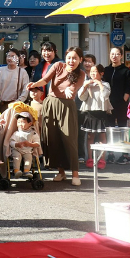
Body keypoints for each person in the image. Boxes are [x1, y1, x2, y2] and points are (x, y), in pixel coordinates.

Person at [27, 46, 85, 186]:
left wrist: (69, 92)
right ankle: (61, 172)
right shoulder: (58, 65)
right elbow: (45, 80)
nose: (71, 60)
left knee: (69, 139)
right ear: (65, 58)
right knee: (53, 138)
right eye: (69, 57)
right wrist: (34, 84)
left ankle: (75, 173)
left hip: (67, 106)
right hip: (51, 104)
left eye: (75, 58)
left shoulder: (81, 74)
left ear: (80, 60)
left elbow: (73, 88)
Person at [79, 64, 112, 169]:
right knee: (90, 137)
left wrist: (99, 84)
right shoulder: (86, 83)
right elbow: (81, 97)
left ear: (101, 73)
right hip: (90, 112)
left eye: (95, 71)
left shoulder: (105, 84)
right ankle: (90, 158)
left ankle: (102, 159)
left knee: (102, 136)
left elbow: (105, 96)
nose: (92, 74)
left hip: (101, 112)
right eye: (91, 72)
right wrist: (85, 86)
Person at [104, 47, 130, 165]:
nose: (114, 56)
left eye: (117, 54)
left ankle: (125, 155)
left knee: (123, 128)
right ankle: (110, 154)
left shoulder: (126, 70)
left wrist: (123, 100)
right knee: (109, 128)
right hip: (108, 103)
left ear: (121, 56)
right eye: (112, 54)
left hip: (121, 104)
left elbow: (129, 87)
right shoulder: (106, 70)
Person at [0, 49, 30, 113]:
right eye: (8, 56)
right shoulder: (1, 70)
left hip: (16, 105)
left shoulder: (22, 72)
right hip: (3, 104)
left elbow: (26, 89)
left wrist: (18, 101)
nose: (10, 58)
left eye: (13, 56)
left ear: (18, 58)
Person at [9, 111, 40, 177]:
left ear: (30, 123)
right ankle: (16, 171)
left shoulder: (33, 133)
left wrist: (30, 144)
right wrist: (17, 144)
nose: (20, 124)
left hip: (28, 150)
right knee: (16, 157)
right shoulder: (16, 133)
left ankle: (26, 171)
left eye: (23, 122)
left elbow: (37, 144)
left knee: (28, 159)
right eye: (18, 122)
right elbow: (11, 142)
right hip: (17, 149)